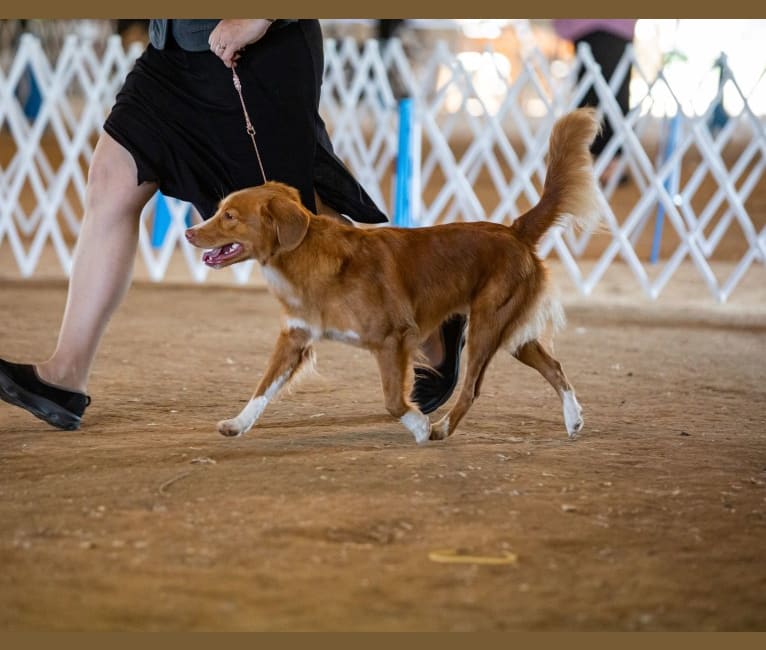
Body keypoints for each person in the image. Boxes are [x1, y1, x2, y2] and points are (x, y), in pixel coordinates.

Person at [0, 19, 464, 430]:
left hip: (254, 49)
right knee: (111, 178)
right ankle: (65, 375)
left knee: (301, 226)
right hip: (173, 50)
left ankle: (426, 323)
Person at [552, 19, 636, 184]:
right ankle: (603, 162)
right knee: (607, 96)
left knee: (593, 96)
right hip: (609, 28)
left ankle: (601, 162)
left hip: (589, 27)